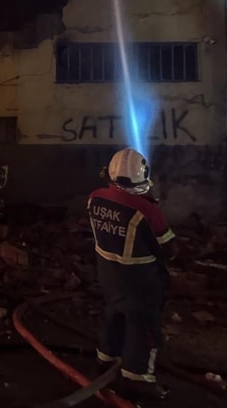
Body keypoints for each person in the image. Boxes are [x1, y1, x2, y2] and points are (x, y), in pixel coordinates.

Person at [88, 147, 178, 401]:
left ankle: (105, 362)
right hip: (140, 281)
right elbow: (170, 249)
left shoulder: (95, 198)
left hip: (108, 275)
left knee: (113, 316)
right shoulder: (146, 210)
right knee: (144, 328)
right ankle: (137, 380)